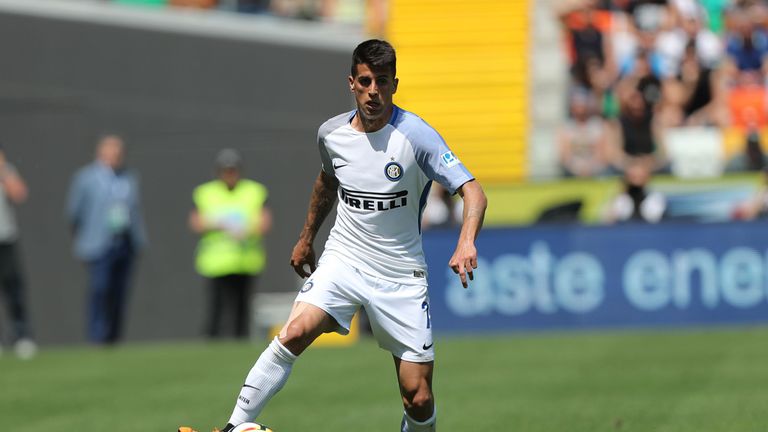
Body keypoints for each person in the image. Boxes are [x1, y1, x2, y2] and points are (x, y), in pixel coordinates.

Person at [185, 39, 488, 432]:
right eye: (365, 81)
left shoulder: (417, 136)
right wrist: (306, 236)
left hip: (400, 274)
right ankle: (232, 427)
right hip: (344, 259)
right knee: (293, 332)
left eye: (382, 81)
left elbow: (473, 192)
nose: (373, 91)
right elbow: (327, 182)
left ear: (395, 84)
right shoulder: (331, 134)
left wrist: (466, 241)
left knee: (418, 396)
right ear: (351, 83)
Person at [66, 135, 146, 344]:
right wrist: (82, 239)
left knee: (120, 292)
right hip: (98, 243)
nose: (115, 156)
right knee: (100, 289)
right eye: (111, 152)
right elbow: (74, 213)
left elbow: (134, 210)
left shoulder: (128, 177)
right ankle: (97, 336)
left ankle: (114, 336)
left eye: (119, 152)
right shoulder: (86, 178)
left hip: (124, 242)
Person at [189, 149, 272, 339]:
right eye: (226, 170)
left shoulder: (254, 191)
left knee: (242, 308)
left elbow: (265, 222)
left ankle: (240, 343)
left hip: (245, 259)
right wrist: (219, 224)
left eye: (233, 170)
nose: (230, 175)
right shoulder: (205, 193)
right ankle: (212, 342)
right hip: (216, 262)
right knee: (216, 307)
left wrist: (246, 230)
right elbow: (195, 222)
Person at [0, 146, 37, 359]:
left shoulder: (6, 170)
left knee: (13, 288)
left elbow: (19, 193)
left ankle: (22, 336)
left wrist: (4, 171)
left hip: (6, 238)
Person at [604, 157, 666, 223]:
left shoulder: (655, 198)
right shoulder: (621, 199)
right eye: (633, 177)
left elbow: (656, 218)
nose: (636, 182)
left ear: (647, 177)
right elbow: (608, 219)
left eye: (640, 176)